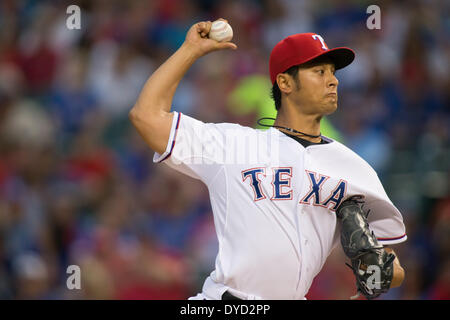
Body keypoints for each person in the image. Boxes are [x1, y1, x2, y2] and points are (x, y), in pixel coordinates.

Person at [129, 19, 406, 300]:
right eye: (319, 71)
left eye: (333, 72)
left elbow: (393, 266)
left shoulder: (353, 167)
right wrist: (189, 50)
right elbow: (146, 116)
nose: (333, 80)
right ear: (285, 82)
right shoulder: (234, 144)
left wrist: (377, 268)